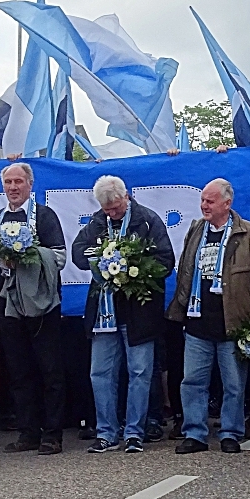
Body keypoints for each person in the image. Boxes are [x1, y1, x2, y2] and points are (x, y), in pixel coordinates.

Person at [166, 179, 250, 453]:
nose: (204, 205)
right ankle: (194, 433)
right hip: (197, 321)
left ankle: (230, 432)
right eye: (203, 200)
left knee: (234, 384)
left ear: (227, 203)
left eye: (210, 201)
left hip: (233, 323)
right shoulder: (195, 230)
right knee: (192, 381)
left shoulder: (249, 234)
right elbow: (185, 272)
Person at [72, 175, 173, 454]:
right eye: (106, 210)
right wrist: (99, 257)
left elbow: (166, 260)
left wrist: (137, 270)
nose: (111, 213)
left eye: (115, 208)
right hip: (105, 311)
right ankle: (106, 432)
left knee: (140, 372)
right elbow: (78, 253)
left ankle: (135, 432)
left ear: (125, 197)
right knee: (99, 373)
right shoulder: (95, 222)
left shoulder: (147, 220)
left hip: (138, 311)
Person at [0, 162, 68, 455]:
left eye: (18, 181)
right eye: (8, 182)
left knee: (50, 370)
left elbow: (59, 257)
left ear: (29, 184)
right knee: (19, 371)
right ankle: (27, 432)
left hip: (43, 304)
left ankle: (53, 434)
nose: (13, 187)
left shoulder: (44, 216)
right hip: (9, 306)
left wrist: (27, 255)